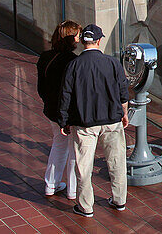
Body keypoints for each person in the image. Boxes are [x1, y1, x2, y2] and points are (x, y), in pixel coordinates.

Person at [57, 24, 129, 218]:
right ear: (99, 40)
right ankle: (119, 200)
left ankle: (85, 206)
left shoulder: (73, 65)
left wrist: (64, 121)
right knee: (117, 162)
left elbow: (66, 95)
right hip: (112, 120)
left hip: (84, 122)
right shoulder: (112, 63)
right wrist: (124, 114)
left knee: (84, 166)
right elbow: (123, 94)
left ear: (82, 42)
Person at [36, 20, 81, 199]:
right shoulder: (73, 62)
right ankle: (72, 189)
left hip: (51, 110)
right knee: (74, 149)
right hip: (68, 113)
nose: (78, 40)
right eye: (76, 36)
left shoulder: (45, 57)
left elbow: (41, 88)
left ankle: (51, 184)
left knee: (58, 145)